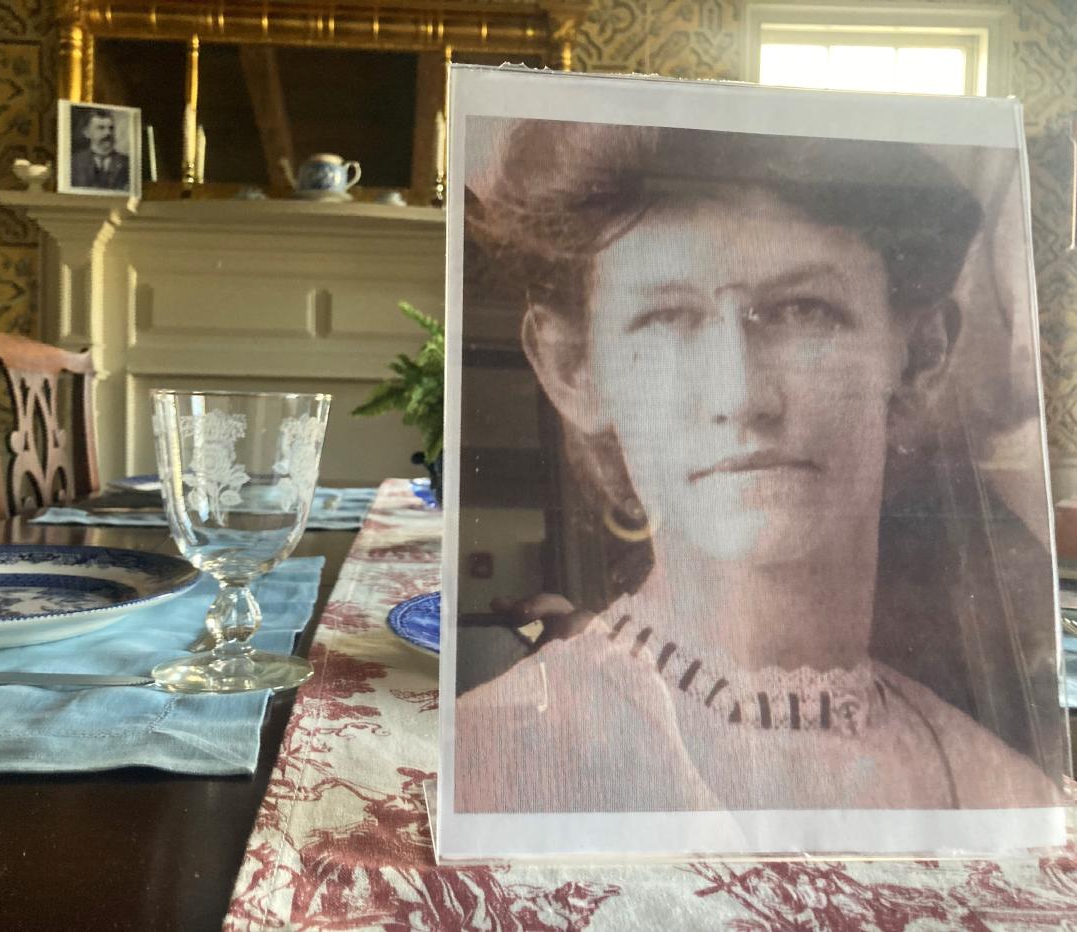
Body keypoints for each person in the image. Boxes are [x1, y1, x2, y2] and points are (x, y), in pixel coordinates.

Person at [454, 120, 1063, 814]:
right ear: (575, 372)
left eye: (804, 311)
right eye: (666, 319)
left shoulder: (1008, 796)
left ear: (920, 357)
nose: (740, 397)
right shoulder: (494, 762)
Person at [70, 108, 130, 190]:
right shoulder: (74, 162)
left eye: (111, 128)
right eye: (101, 128)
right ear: (87, 133)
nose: (108, 133)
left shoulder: (127, 162)